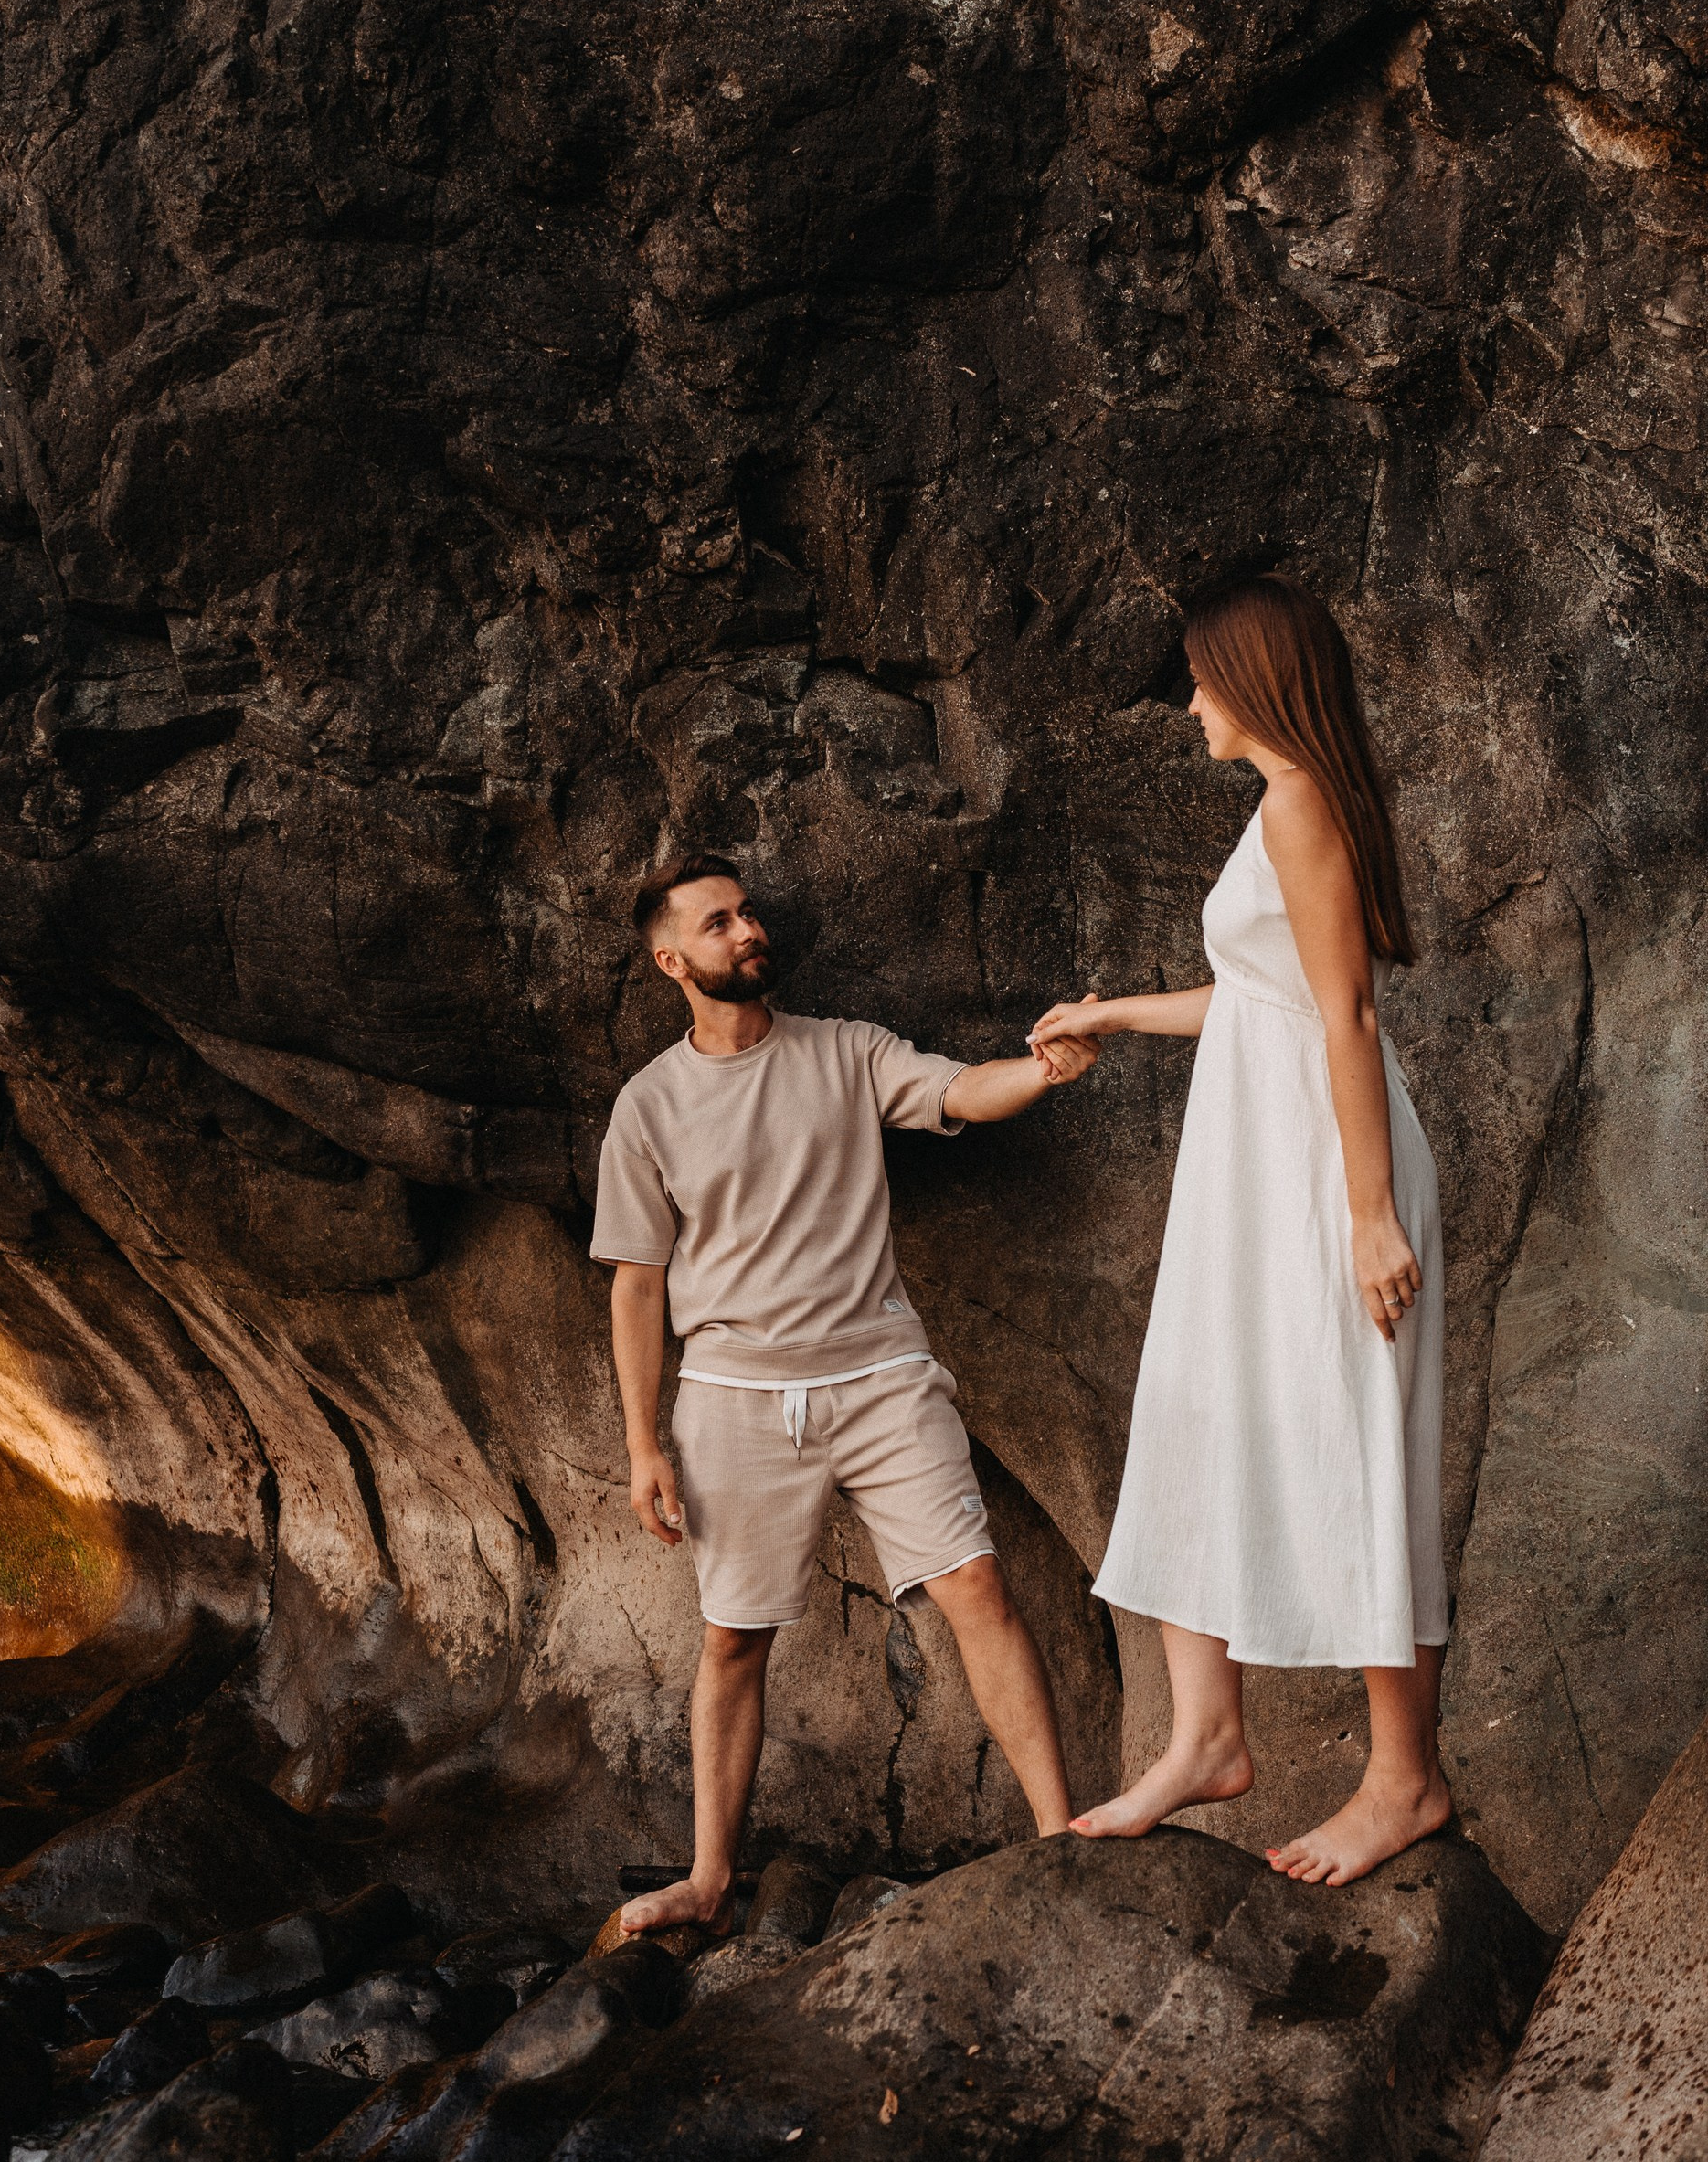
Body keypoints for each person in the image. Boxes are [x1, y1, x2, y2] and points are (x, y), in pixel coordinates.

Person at [1029, 577, 1449, 1887]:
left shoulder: (1302, 803)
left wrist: (1368, 1216)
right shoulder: (1283, 810)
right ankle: (1207, 1732)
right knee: (1199, 1411)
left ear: (1256, 681)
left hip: (1326, 1168)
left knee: (1357, 1429)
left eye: (1203, 681)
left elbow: (1348, 1020)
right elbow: (1252, 998)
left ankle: (1405, 1780)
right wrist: (1107, 1016)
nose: (1191, 704)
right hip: (1254, 1166)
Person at [593, 853, 1096, 1936]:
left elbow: (960, 1089)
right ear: (672, 960)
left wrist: (1044, 1069)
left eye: (748, 912)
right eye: (718, 922)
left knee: (975, 1589)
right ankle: (709, 1878)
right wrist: (644, 1445)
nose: (746, 930)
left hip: (879, 1375)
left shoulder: (845, 1051)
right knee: (733, 1638)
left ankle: (1063, 1841)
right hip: (730, 1398)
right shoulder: (647, 1106)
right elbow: (637, 1286)